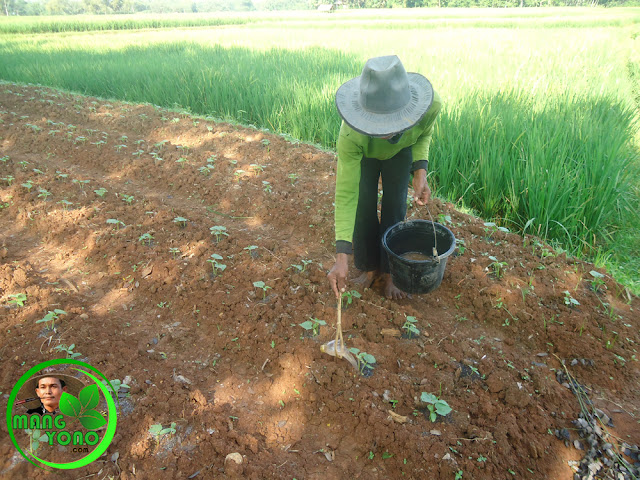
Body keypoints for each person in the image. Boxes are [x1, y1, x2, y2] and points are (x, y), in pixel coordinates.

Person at [328, 55, 442, 300]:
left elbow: (424, 133)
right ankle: (369, 268)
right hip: (366, 156)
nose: (383, 131)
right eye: (377, 124)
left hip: (401, 152)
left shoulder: (429, 107)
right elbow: (347, 192)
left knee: (395, 207)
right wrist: (341, 256)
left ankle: (390, 273)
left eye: (389, 124)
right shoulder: (352, 135)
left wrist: (420, 171)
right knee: (363, 206)